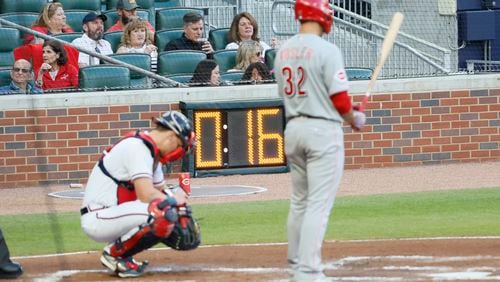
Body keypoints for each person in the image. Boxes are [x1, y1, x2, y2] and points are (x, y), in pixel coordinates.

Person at [274, 0, 366, 281]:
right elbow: (339, 99)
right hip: (322, 131)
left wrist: (348, 113)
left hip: (293, 128)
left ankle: (295, 262)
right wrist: (354, 118)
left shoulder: (282, 51)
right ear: (322, 15)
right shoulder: (327, 49)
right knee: (318, 203)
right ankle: (308, 270)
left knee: (300, 200)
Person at [80, 111, 199, 278]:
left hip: (116, 213)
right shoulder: (137, 147)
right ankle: (113, 255)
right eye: (180, 145)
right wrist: (173, 201)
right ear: (172, 136)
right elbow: (145, 194)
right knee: (162, 213)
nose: (179, 151)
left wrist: (179, 206)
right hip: (99, 217)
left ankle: (123, 253)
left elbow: (159, 190)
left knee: (171, 211)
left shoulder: (152, 153)